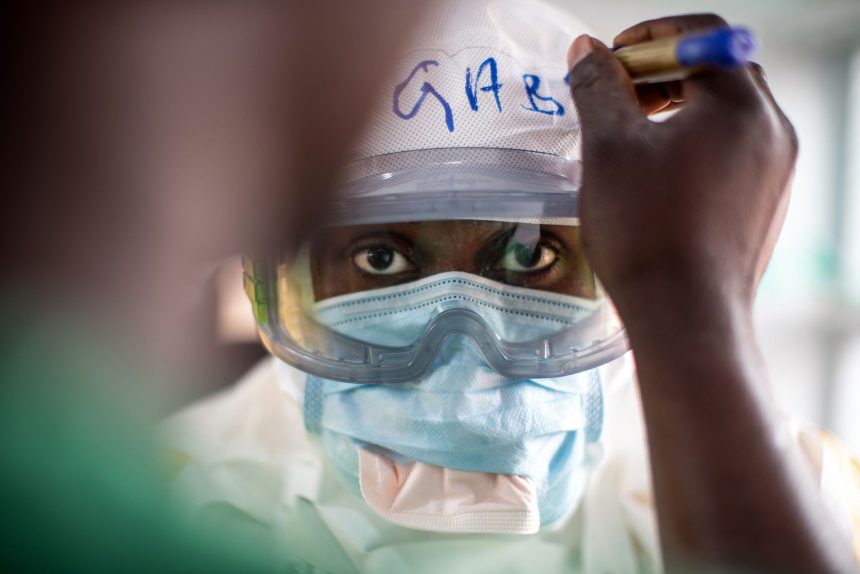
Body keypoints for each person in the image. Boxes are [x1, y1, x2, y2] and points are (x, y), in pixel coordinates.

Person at [161, 1, 860, 572]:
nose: (461, 358)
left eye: (530, 255)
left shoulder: (811, 497)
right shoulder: (167, 494)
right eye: (380, 257)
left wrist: (690, 315)